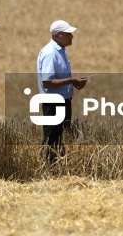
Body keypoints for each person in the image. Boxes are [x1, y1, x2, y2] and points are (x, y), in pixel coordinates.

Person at [37, 20, 87, 164]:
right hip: (53, 103)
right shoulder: (50, 53)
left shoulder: (60, 51)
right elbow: (47, 82)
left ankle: (56, 166)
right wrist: (72, 81)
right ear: (57, 35)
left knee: (58, 136)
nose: (72, 37)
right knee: (51, 138)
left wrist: (72, 83)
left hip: (62, 101)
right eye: (68, 34)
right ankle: (48, 167)